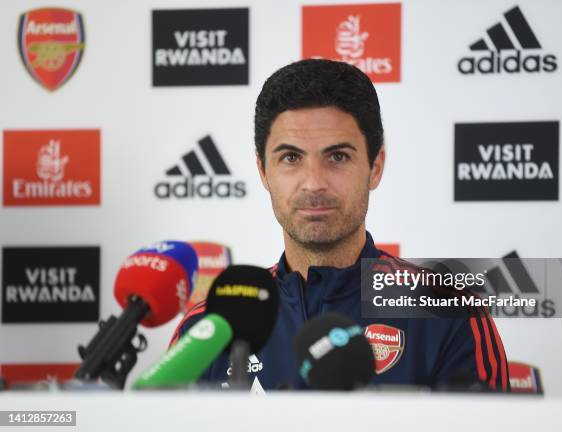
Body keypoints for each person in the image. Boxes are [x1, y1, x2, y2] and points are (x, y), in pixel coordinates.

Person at [169, 59, 509, 391]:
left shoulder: (448, 313)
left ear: (375, 167)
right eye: (291, 158)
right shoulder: (208, 327)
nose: (314, 182)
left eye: (337, 157)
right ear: (262, 171)